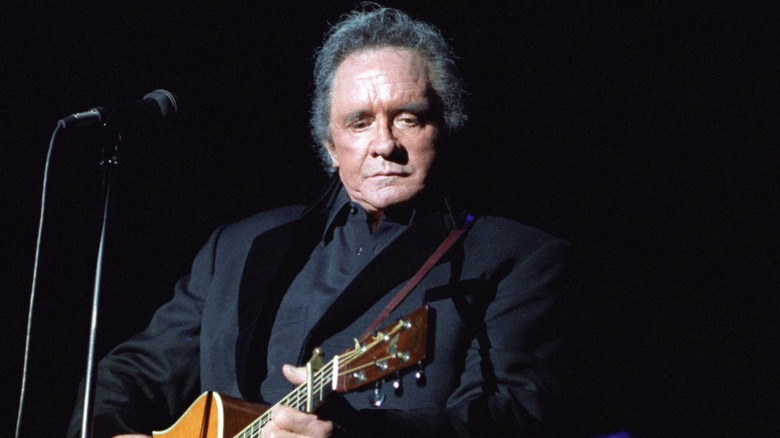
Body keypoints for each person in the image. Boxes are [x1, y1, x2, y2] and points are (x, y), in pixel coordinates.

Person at [68, 6, 572, 437]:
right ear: (330, 147)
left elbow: (514, 417)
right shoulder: (240, 246)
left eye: (408, 117)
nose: (384, 143)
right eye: (359, 122)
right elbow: (129, 373)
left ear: (445, 128)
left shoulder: (515, 255)